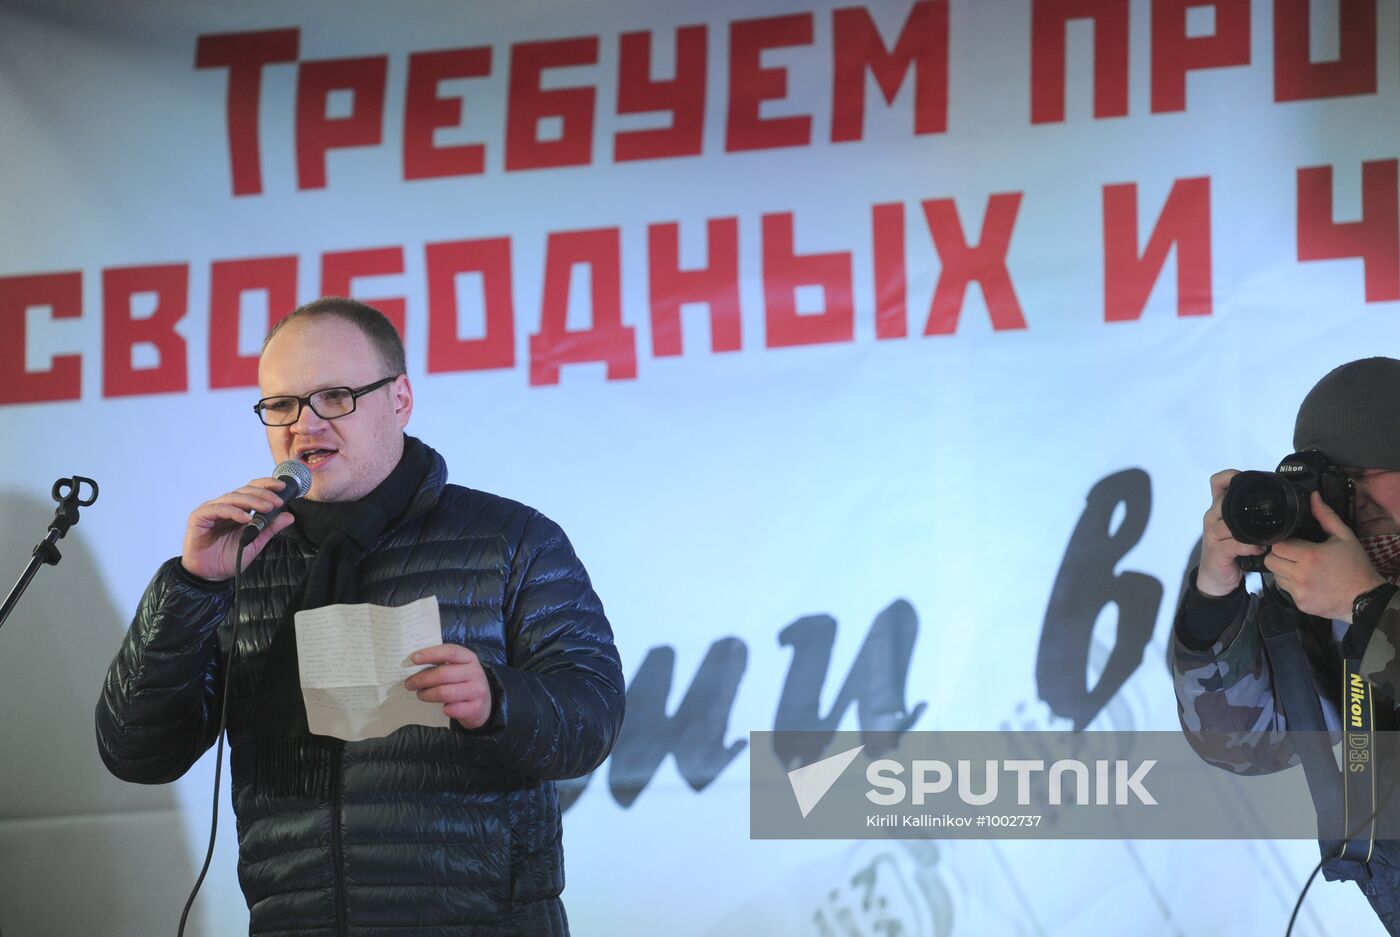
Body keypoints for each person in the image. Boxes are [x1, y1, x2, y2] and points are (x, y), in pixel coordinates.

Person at [95, 297, 625, 936]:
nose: (304, 426)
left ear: (400, 400)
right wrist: (190, 587)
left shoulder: (510, 540)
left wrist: (498, 699)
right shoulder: (239, 560)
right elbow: (137, 754)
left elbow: (594, 718)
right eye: (282, 405)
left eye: (335, 396)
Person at [1172, 356, 1400, 932]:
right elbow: (1246, 744)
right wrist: (1215, 598)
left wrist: (1366, 606)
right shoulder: (1309, 579)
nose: (1355, 498)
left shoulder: (1348, 588)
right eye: (1334, 478)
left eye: (1368, 472)